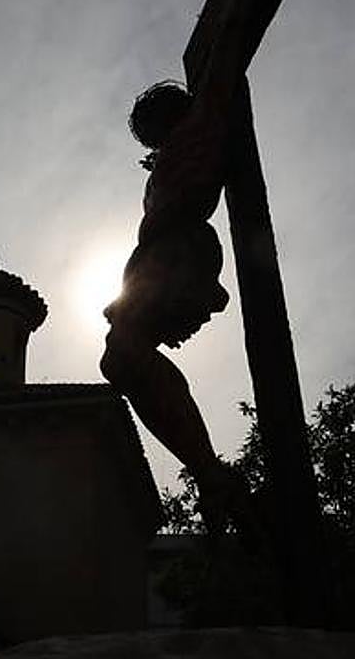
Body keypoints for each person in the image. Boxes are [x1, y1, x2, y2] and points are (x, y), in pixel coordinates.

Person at [100, 80, 259, 540]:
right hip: (160, 256)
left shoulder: (198, 128)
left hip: (180, 250)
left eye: (154, 129)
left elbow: (220, 63)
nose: (153, 141)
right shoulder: (170, 155)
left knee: (125, 347)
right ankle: (207, 469)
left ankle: (212, 474)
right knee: (117, 359)